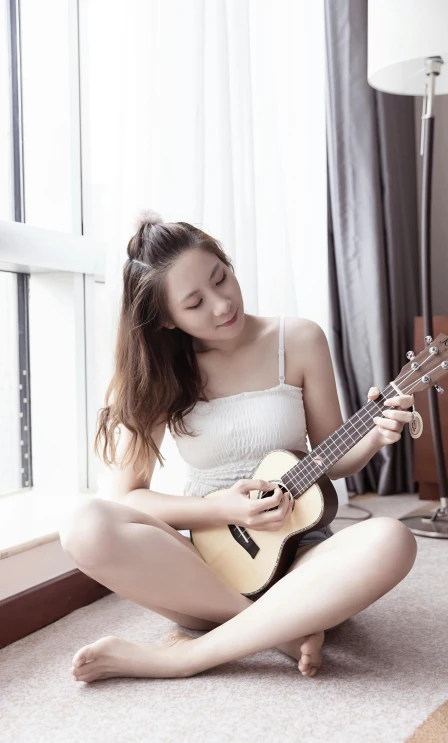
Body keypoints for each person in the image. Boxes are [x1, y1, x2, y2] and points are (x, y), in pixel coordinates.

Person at [59, 212, 417, 684]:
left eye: (221, 278)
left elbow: (332, 458)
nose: (222, 304)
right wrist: (220, 507)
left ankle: (181, 658)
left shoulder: (299, 339)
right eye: (195, 303)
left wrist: (375, 434)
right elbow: (129, 497)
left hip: (301, 560)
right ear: (167, 319)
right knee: (83, 525)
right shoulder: (160, 373)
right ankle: (277, 629)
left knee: (393, 540)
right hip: (207, 569)